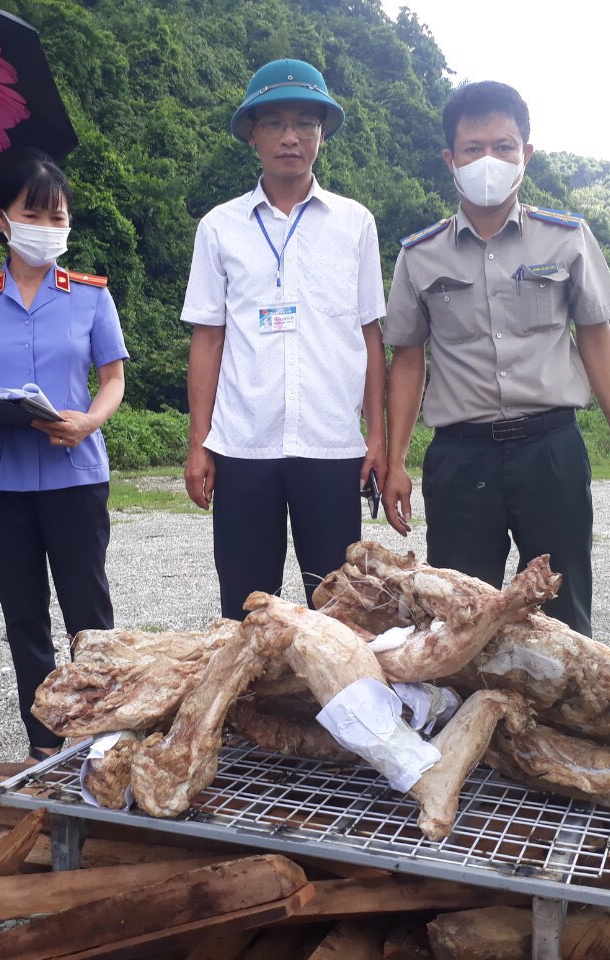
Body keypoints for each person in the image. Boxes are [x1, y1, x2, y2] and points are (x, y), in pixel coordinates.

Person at [383, 81, 610, 637]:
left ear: (525, 155)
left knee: (563, 605)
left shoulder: (567, 239)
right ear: (450, 160)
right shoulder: (419, 254)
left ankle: (567, 721)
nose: (489, 160)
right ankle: (463, 721)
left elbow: (597, 340)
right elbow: (408, 360)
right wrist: (396, 461)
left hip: (550, 450)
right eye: (474, 147)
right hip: (461, 458)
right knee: (457, 614)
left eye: (504, 146)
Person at [0, 150, 128, 764]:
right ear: (2, 218)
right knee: (24, 618)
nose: (47, 226)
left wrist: (89, 420)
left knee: (89, 615)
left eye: (57, 215)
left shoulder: (91, 296)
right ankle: (44, 745)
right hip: (0, 482)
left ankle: (100, 740)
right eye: (33, 213)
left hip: (76, 474)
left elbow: (113, 380)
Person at [181, 58, 387, 619]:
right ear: (252, 135)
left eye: (305, 123)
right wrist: (200, 441)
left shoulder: (355, 224)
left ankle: (342, 709)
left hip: (331, 446)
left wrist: (378, 438)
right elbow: (207, 339)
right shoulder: (220, 227)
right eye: (273, 123)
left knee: (341, 609)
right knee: (248, 610)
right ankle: (250, 709)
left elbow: (370, 337)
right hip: (244, 444)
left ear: (323, 133)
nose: (290, 137)